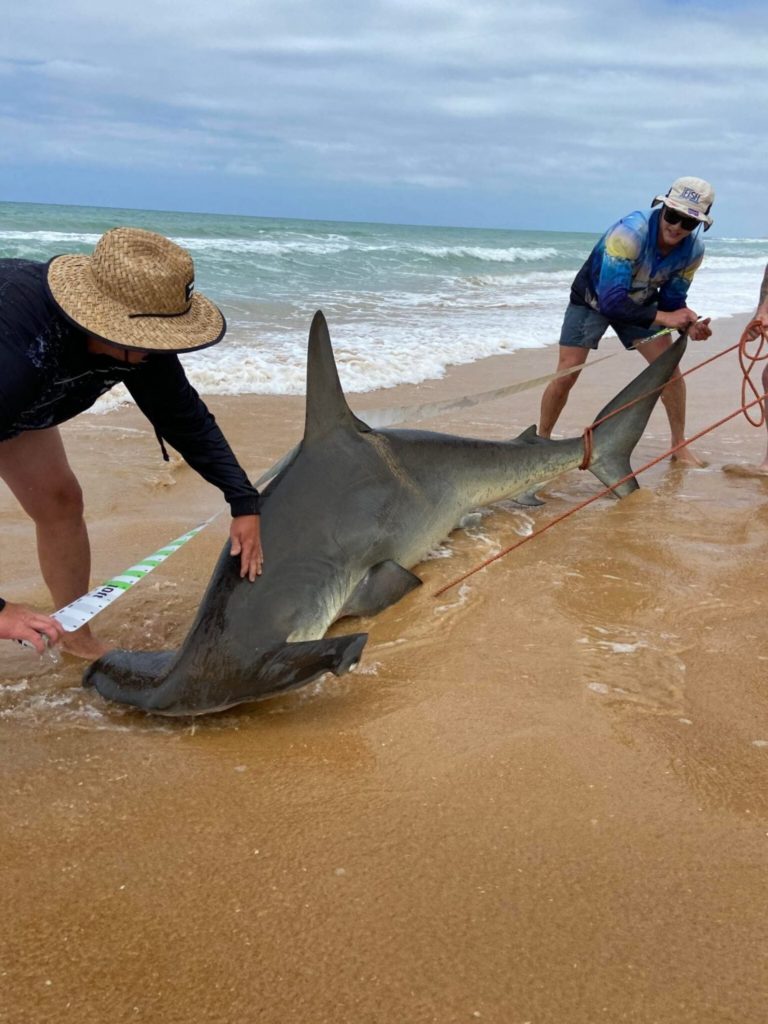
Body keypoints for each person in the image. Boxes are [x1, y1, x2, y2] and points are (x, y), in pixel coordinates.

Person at [0, 227, 263, 659]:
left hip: (24, 401)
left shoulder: (141, 339)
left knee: (60, 500)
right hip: (14, 377)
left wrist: (243, 499)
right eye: (152, 340)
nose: (160, 350)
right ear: (101, 319)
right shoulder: (15, 356)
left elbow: (183, 416)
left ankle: (75, 636)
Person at [538, 176, 715, 466]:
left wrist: (689, 322)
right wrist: (667, 317)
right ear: (662, 208)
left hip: (641, 301)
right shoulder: (629, 233)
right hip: (593, 299)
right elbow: (612, 302)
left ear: (698, 225)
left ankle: (678, 446)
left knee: (670, 372)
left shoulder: (693, 251)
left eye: (688, 222)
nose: (677, 227)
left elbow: (672, 302)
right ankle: (542, 441)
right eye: (672, 216)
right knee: (567, 372)